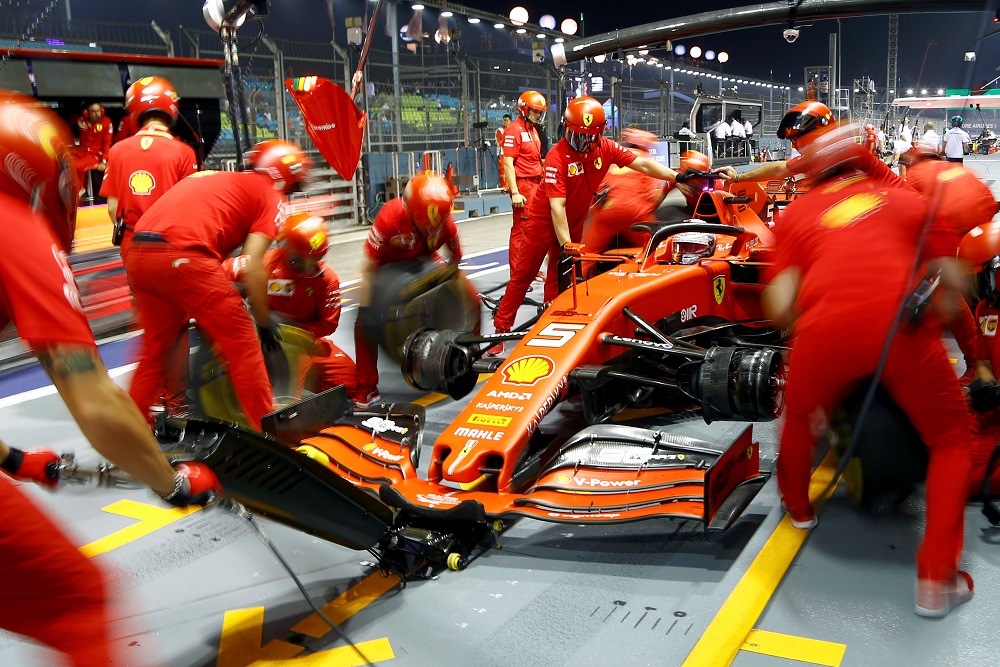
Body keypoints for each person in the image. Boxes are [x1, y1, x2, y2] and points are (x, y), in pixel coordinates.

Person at [0, 90, 221, 667]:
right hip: (178, 255)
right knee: (76, 602)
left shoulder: (120, 150)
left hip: (134, 251)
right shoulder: (14, 226)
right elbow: (94, 398)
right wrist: (169, 482)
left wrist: (12, 460)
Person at [764, 121, 973, 618]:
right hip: (901, 331)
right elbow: (954, 281)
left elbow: (778, 302)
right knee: (951, 440)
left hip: (823, 331)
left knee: (796, 416)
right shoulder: (910, 202)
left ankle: (798, 509)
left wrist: (812, 330)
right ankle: (936, 581)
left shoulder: (796, 213)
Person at [126, 139, 311, 431]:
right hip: (184, 256)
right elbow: (252, 264)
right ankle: (268, 435)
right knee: (243, 345)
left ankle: (132, 435)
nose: (291, 193)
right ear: (284, 177)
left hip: (139, 254)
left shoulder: (221, 178)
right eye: (293, 186)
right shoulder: (271, 196)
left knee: (155, 354)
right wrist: (263, 321)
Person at [489, 97, 683, 356]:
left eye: (586, 137)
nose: (580, 142)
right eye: (575, 135)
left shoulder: (606, 148)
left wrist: (677, 175)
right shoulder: (557, 156)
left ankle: (552, 317)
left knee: (562, 278)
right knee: (523, 276)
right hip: (543, 222)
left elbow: (644, 165)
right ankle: (500, 331)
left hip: (576, 221)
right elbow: (556, 208)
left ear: (599, 135)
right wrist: (567, 244)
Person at [101, 76, 199, 418]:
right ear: (169, 108)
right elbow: (191, 206)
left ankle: (151, 397)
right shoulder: (183, 152)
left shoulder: (117, 151)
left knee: (149, 322)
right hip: (170, 248)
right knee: (175, 324)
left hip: (133, 248)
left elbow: (113, 208)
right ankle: (177, 402)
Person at [353, 172, 463, 406]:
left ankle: (457, 355)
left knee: (461, 290)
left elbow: (455, 262)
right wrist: (366, 310)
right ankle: (366, 386)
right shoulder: (390, 216)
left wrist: (447, 296)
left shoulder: (446, 225)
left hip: (424, 261)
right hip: (388, 266)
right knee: (364, 323)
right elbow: (368, 268)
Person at [223, 212, 357, 399]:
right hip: (267, 341)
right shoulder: (263, 264)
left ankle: (305, 379)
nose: (311, 266)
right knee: (286, 400)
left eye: (315, 260)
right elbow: (220, 271)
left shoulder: (327, 280)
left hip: (306, 342)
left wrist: (293, 331)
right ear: (289, 250)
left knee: (351, 383)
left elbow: (328, 324)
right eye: (304, 260)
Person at [902, 141, 998, 383]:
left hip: (949, 225)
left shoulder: (915, 174)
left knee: (938, 291)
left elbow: (906, 212)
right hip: (981, 226)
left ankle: (971, 363)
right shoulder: (952, 169)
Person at [580, 138, 711, 277]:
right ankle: (655, 273)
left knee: (588, 253)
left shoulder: (612, 158)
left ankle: (582, 279)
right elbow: (652, 200)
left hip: (607, 212)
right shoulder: (649, 162)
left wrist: (598, 210)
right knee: (654, 248)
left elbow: (594, 191)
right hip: (636, 214)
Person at [717, 101, 905, 189]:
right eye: (792, 141)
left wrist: (738, 179)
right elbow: (780, 169)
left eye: (797, 139)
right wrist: (738, 178)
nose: (796, 145)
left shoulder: (844, 153)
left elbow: (781, 170)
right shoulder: (830, 155)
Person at [503, 91, 546, 256]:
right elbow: (508, 163)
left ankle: (529, 271)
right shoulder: (514, 130)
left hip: (536, 184)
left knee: (534, 230)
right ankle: (517, 277)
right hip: (524, 186)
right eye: (534, 110)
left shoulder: (533, 130)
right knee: (521, 230)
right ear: (524, 109)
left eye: (539, 111)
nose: (538, 114)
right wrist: (515, 192)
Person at [72, 101, 113, 197]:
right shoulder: (81, 121)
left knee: (77, 165)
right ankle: (71, 188)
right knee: (67, 162)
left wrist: (104, 161)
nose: (97, 114)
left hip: (96, 155)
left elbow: (107, 143)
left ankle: (79, 189)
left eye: (98, 111)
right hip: (82, 152)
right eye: (93, 111)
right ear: (87, 113)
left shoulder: (107, 122)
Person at [496, 113, 512, 191]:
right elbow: (500, 142)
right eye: (504, 120)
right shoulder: (500, 130)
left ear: (510, 121)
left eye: (507, 120)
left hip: (512, 153)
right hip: (503, 153)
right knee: (503, 170)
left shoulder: (513, 130)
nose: (505, 122)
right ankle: (504, 186)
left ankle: (510, 185)